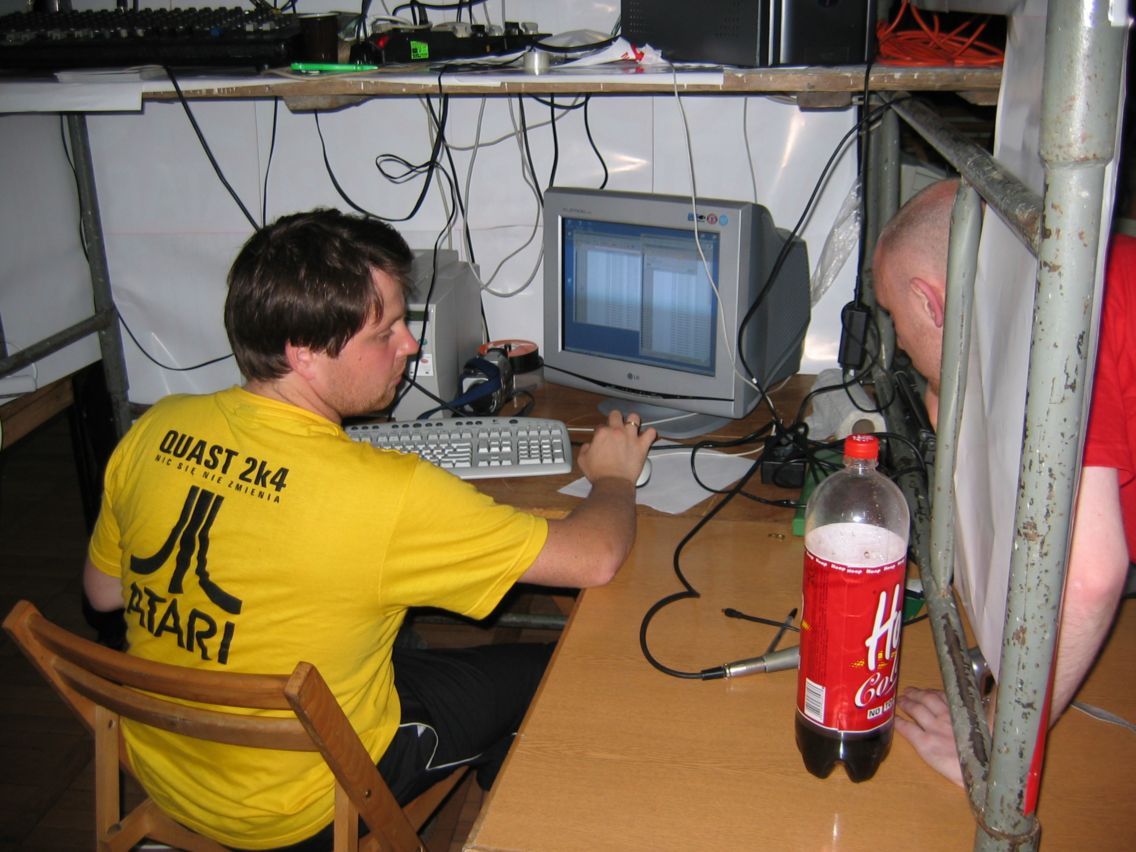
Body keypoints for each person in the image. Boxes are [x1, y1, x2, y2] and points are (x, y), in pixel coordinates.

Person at [81, 208, 656, 849]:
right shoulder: (387, 494)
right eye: (385, 332)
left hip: (166, 766)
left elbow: (103, 593)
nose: (409, 345)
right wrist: (613, 478)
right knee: (555, 671)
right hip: (304, 806)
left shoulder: (156, 428)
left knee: (387, 641)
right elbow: (594, 557)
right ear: (303, 353)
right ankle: (510, 817)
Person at [871, 178, 1132, 786]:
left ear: (929, 301)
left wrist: (990, 739)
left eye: (893, 315)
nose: (897, 340)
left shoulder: (1067, 320)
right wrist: (944, 382)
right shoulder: (1056, 273)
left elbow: (1089, 580)